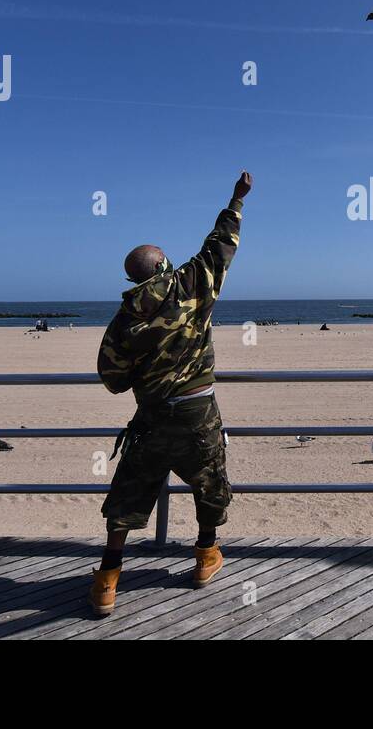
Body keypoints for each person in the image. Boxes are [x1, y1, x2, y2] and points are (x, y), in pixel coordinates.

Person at [88, 171, 252, 617]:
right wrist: (236, 199)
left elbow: (112, 378)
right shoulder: (191, 283)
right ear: (163, 267)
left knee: (128, 495)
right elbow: (222, 244)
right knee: (209, 482)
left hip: (153, 417)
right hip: (198, 413)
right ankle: (204, 557)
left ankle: (107, 578)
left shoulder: (124, 321)